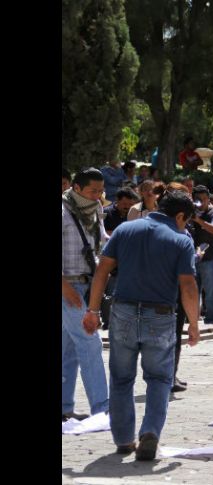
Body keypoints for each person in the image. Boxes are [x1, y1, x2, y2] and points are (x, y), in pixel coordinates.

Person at [83, 190, 201, 461]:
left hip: (122, 312)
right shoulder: (181, 240)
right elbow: (188, 286)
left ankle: (124, 440)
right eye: (186, 221)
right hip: (160, 316)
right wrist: (194, 324)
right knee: (159, 378)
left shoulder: (125, 229)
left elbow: (102, 270)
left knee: (121, 378)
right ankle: (150, 433)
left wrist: (92, 309)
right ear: (180, 216)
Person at [62, 168, 110, 422]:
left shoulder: (95, 211)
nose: (98, 196)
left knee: (68, 349)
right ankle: (102, 409)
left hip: (86, 286)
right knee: (90, 342)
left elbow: (101, 241)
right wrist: (64, 287)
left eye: (101, 191)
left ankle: (64, 409)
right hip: (67, 287)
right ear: (77, 189)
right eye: (93, 191)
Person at [191, 186, 213, 324]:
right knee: (193, 290)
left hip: (208, 258)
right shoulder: (191, 211)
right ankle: (192, 318)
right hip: (192, 256)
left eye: (205, 199)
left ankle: (211, 318)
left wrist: (198, 221)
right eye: (198, 199)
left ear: (209, 199)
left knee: (209, 290)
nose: (202, 202)